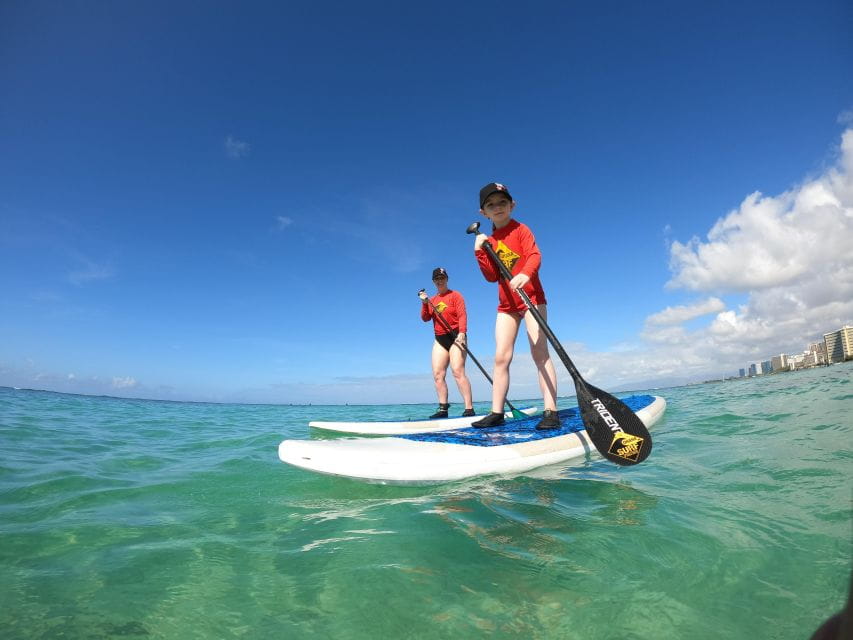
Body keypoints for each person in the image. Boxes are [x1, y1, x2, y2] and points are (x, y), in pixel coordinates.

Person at [470, 182, 559, 430]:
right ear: (483, 213)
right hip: (506, 306)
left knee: (539, 353)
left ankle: (551, 410)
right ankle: (497, 412)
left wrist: (526, 274)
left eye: (502, 202)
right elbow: (491, 276)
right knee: (501, 357)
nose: (497, 207)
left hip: (532, 299)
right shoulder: (489, 241)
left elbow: (534, 255)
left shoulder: (521, 229)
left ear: (512, 205)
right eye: (491, 205)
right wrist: (480, 252)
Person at [419, 267, 475, 419]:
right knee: (438, 374)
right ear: (433, 281)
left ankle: (469, 408)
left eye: (442, 278)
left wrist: (462, 332)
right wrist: (424, 303)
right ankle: (443, 409)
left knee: (457, 371)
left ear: (447, 279)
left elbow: (462, 314)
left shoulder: (456, 295)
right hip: (440, 338)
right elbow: (425, 318)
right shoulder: (432, 300)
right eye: (437, 279)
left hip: (456, 336)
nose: (440, 281)